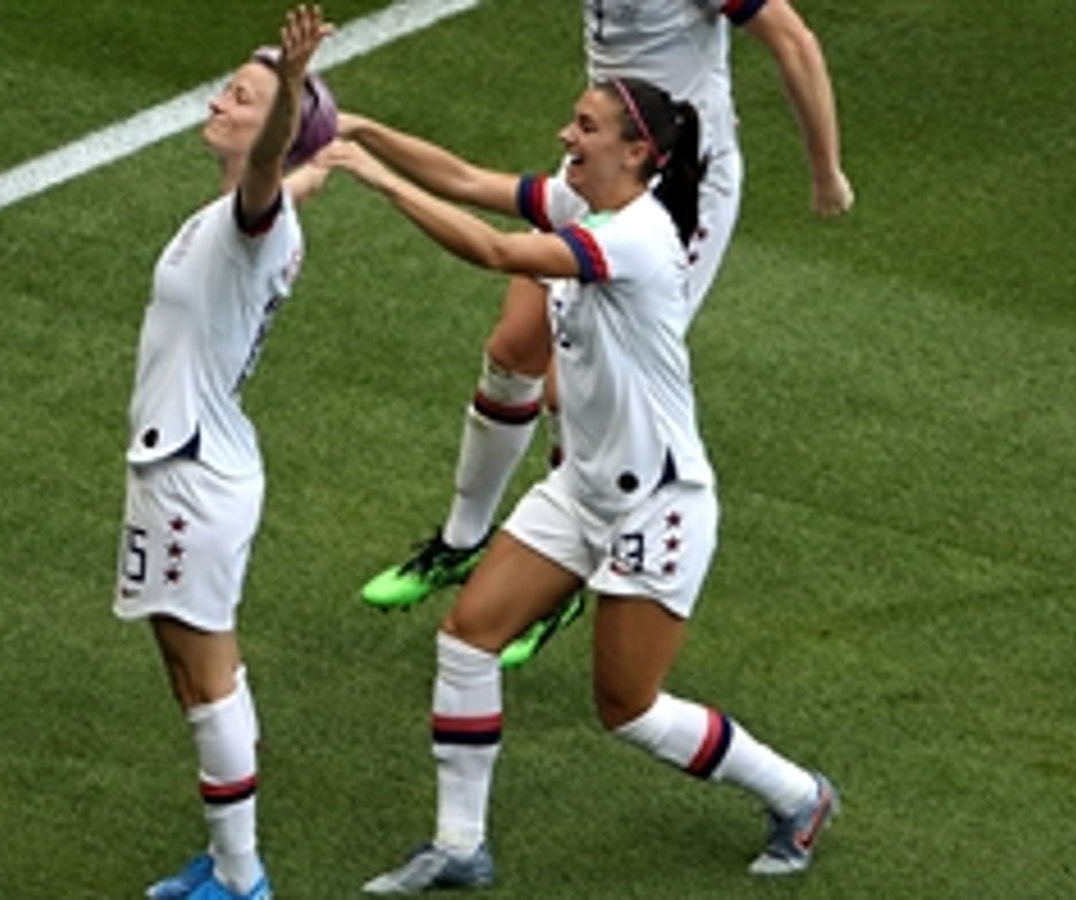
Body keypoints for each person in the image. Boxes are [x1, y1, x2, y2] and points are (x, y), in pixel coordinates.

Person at [318, 74, 838, 893]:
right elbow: (462, 179)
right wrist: (368, 128)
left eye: (586, 126)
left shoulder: (635, 237)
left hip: (656, 507)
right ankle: (459, 845)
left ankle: (799, 795)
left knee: (627, 707)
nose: (567, 135)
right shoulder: (580, 204)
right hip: (584, 489)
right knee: (467, 639)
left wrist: (376, 181)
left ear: (637, 153)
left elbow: (493, 249)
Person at [358, 0, 855, 670]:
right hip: (604, 163)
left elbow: (792, 40)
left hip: (675, 192)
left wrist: (825, 170)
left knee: (574, 382)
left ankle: (567, 571)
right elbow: (470, 182)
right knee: (513, 350)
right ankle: (463, 541)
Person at [112, 7, 335, 900]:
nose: (219, 101)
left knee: (206, 678)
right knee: (188, 668)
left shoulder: (255, 220)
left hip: (189, 477)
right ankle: (230, 863)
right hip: (189, 463)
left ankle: (241, 881)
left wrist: (293, 90)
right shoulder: (248, 218)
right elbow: (284, 176)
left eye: (240, 98)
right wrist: (330, 158)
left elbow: (272, 172)